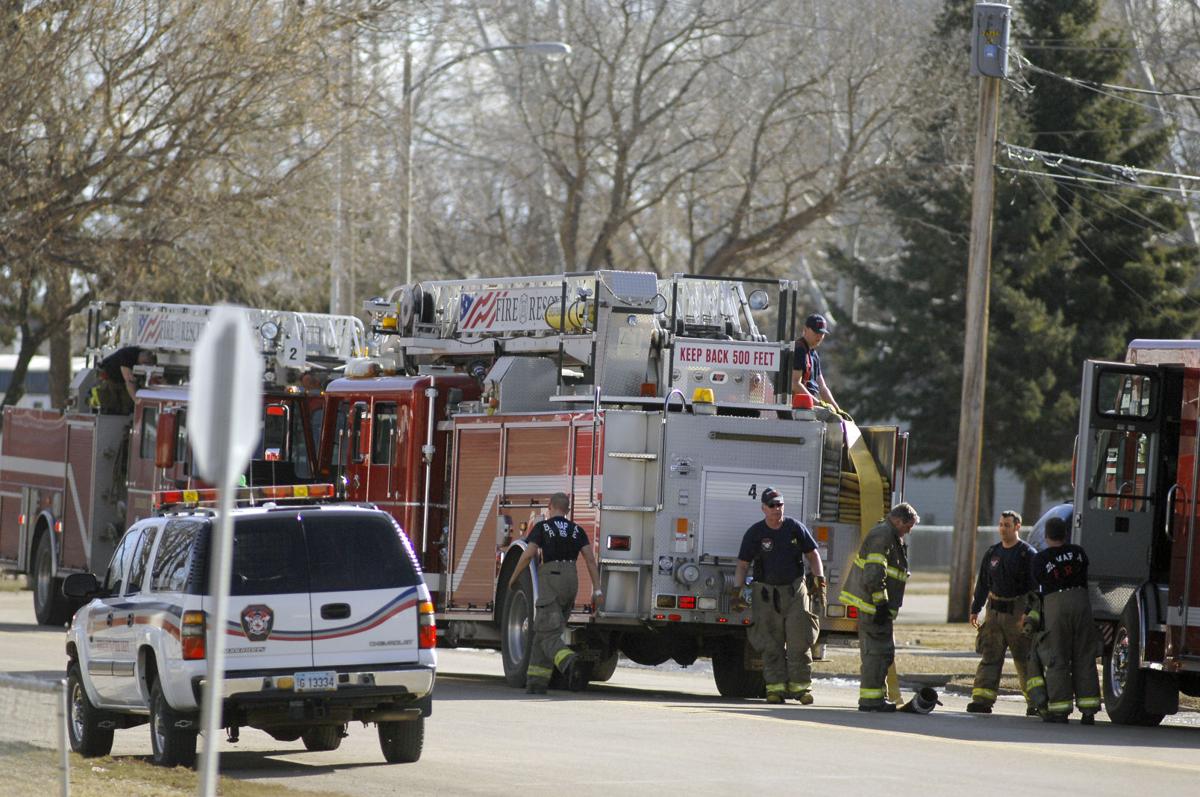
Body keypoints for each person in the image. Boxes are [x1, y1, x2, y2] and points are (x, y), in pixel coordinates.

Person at [730, 487, 826, 705]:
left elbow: (813, 554)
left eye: (780, 504)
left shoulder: (794, 528)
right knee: (770, 644)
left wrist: (820, 580)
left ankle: (801, 689)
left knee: (799, 642)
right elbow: (743, 564)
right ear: (763, 508)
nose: (777, 509)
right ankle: (775, 690)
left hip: (795, 591)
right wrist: (737, 591)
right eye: (772, 505)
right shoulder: (755, 533)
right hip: (766, 594)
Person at [507, 492, 604, 695]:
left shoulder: (543, 527)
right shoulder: (577, 530)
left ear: (550, 506)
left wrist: (513, 577)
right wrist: (597, 589)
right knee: (545, 631)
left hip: (551, 579)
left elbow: (528, 554)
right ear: (567, 509)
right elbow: (589, 559)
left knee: (547, 633)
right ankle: (536, 683)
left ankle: (569, 661)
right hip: (571, 580)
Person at [838, 502, 920, 712]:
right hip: (874, 607)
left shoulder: (889, 535)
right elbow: (874, 572)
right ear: (898, 520)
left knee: (882, 653)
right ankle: (871, 701)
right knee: (876, 654)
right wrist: (881, 603)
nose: (908, 531)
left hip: (876, 606)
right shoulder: (883, 535)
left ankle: (875, 698)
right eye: (908, 526)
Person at [1029, 515, 1102, 724]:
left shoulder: (1041, 558)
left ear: (1046, 535)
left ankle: (1060, 711)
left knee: (1057, 657)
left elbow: (1039, 581)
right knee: (1084, 656)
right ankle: (1088, 711)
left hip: (1055, 603)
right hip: (1081, 602)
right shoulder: (1078, 552)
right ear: (1066, 534)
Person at [966, 510, 1037, 715]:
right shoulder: (992, 553)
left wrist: (1029, 613)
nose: (1003, 529)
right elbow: (983, 583)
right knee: (990, 655)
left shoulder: (1027, 554)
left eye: (1007, 525)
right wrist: (975, 609)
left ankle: (1035, 702)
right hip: (994, 613)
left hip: (1018, 613)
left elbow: (1035, 588)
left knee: (1025, 659)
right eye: (1000, 525)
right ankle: (982, 700)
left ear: (1017, 527)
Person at [792, 313, 841, 413]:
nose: (819, 336)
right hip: (797, 409)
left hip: (808, 407)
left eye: (822, 333)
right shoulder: (799, 350)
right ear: (805, 329)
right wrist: (818, 403)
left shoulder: (814, 354)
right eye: (816, 332)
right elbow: (794, 383)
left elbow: (822, 388)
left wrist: (837, 410)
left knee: (838, 419)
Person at [95, 346, 155, 414]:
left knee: (126, 405)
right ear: (144, 361)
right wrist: (137, 401)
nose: (143, 365)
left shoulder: (139, 353)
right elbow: (129, 381)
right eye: (144, 364)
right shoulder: (127, 356)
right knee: (113, 406)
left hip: (119, 379)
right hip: (108, 377)